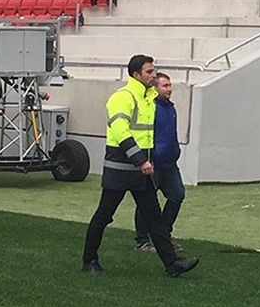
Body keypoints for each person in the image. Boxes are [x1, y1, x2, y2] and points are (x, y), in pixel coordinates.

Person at [81, 55, 199, 277]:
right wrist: (141, 160)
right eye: (149, 72)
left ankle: (172, 264)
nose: (154, 75)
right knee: (104, 215)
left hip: (141, 169)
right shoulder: (122, 97)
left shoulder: (148, 98)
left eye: (154, 71)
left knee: (153, 217)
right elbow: (120, 130)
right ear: (136, 74)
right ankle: (89, 261)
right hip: (122, 167)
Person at [133, 71, 185, 252]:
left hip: (170, 164)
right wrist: (146, 159)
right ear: (155, 88)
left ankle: (162, 235)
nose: (169, 89)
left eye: (170, 85)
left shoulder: (171, 108)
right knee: (146, 202)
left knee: (177, 195)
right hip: (153, 164)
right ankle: (143, 239)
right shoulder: (151, 108)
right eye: (165, 86)